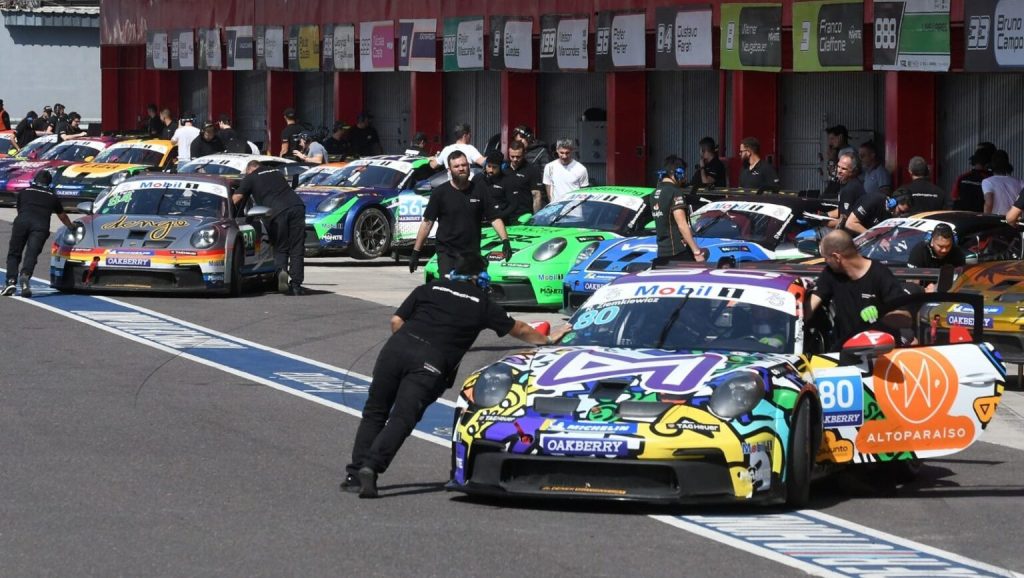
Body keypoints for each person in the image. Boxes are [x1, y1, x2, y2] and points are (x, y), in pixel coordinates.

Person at [343, 251, 571, 498]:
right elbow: (520, 329)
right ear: (478, 277)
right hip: (431, 361)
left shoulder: (431, 288)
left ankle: (354, 474)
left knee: (375, 411)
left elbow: (396, 320)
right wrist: (548, 339)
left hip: (396, 349)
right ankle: (372, 465)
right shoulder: (481, 303)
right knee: (402, 417)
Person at [408, 150, 512, 277]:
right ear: (449, 170)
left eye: (464, 165)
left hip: (472, 254)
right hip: (447, 254)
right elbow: (427, 223)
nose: (461, 169)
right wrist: (416, 252)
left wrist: (505, 241)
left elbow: (494, 218)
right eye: (456, 166)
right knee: (448, 291)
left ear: (469, 166)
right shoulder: (440, 193)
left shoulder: (480, 190)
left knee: (471, 293)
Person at [807, 229, 910, 347]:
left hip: (879, 351)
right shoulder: (831, 273)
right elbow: (811, 305)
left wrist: (881, 314)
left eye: (826, 258)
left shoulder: (880, 275)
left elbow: (906, 319)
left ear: (836, 257)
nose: (825, 262)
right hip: (844, 349)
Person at [231, 160, 306, 295]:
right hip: (297, 206)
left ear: (249, 169)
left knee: (280, 246)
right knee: (297, 247)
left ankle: (281, 271)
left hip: (277, 211)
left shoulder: (251, 177)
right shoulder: (276, 172)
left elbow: (236, 198)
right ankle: (296, 285)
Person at [3, 171, 75, 297]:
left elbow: (20, 209)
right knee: (32, 254)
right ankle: (25, 277)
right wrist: (71, 226)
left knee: (14, 253)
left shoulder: (24, 192)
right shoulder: (52, 196)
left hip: (22, 222)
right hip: (41, 226)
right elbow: (62, 216)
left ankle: (11, 281)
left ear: (35, 180)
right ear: (49, 183)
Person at [650, 155, 704, 267]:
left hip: (661, 252)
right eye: (683, 175)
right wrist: (696, 251)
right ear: (678, 173)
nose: (684, 179)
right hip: (678, 251)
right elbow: (682, 224)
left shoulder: (653, 194)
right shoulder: (675, 192)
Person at [826, 151, 865, 230]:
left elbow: (844, 220)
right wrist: (824, 215)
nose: (839, 171)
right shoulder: (847, 184)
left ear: (853, 172)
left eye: (844, 169)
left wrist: (823, 222)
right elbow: (842, 210)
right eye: (838, 166)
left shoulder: (850, 189)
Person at [502, 140, 541, 218]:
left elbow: (536, 196)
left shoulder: (532, 170)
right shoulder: (503, 169)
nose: (515, 159)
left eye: (518, 157)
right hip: (506, 216)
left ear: (524, 154)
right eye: (512, 156)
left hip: (525, 216)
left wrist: (536, 218)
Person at [543, 139, 589, 204]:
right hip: (555, 209)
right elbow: (548, 187)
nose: (564, 156)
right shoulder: (549, 167)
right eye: (561, 153)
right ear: (557, 150)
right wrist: (552, 204)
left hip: (574, 210)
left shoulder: (581, 169)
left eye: (567, 153)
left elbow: (583, 192)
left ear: (572, 151)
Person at [953, 144, 994, 212]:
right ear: (988, 163)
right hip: (981, 217)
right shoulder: (990, 180)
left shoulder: (962, 178)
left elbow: (954, 197)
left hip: (963, 217)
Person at [982, 150, 1022, 215]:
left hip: (997, 222)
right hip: (1015, 221)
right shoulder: (1020, 182)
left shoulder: (987, 182)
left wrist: (985, 221)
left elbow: (989, 204)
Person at [823, 125, 857, 198]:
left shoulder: (848, 152)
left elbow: (841, 175)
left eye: (832, 138)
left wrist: (833, 159)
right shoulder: (841, 151)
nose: (830, 142)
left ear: (840, 137)